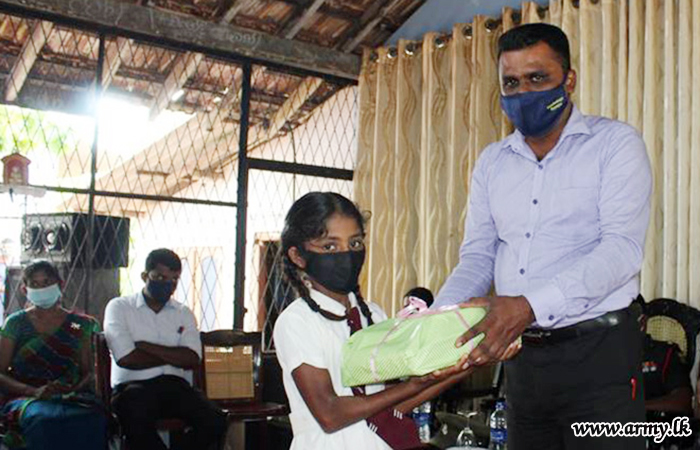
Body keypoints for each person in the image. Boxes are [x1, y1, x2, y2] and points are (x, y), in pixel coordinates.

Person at [433, 23, 652, 449]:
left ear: (568, 80)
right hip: (523, 361)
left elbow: (622, 250)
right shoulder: (492, 162)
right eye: (511, 83)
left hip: (600, 357)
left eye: (537, 78)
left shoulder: (615, 144)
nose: (523, 93)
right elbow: (477, 256)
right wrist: (436, 323)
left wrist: (528, 306)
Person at [273, 192, 500, 450]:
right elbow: (330, 414)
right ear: (298, 256)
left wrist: (466, 365)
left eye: (355, 243)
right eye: (329, 247)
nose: (346, 255)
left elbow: (392, 406)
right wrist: (415, 383)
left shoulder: (372, 315)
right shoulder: (297, 321)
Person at [103, 248, 226, 450]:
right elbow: (126, 358)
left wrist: (145, 346)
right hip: (133, 388)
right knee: (135, 416)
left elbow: (192, 359)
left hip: (175, 387)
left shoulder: (183, 313)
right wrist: (174, 354)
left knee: (215, 419)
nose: (168, 284)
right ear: (145, 276)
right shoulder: (120, 307)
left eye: (174, 279)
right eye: (160, 277)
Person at [0, 260, 106, 450]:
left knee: (93, 419)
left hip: (72, 395)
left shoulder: (79, 324)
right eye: (35, 284)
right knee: (43, 419)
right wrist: (32, 391)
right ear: (25, 290)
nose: (42, 288)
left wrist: (70, 390)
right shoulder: (15, 324)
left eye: (47, 282)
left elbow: (89, 372)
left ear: (60, 284)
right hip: (26, 397)